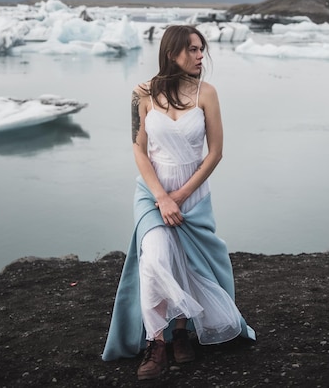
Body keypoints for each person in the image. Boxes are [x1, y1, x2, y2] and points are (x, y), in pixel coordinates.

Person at [102, 25, 256, 380]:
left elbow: (215, 153)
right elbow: (139, 148)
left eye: (202, 49)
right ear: (171, 53)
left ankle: (182, 331)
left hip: (192, 193)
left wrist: (181, 196)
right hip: (152, 192)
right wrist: (161, 197)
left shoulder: (207, 93)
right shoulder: (142, 93)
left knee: (185, 262)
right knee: (154, 258)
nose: (200, 56)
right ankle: (156, 341)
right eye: (192, 49)